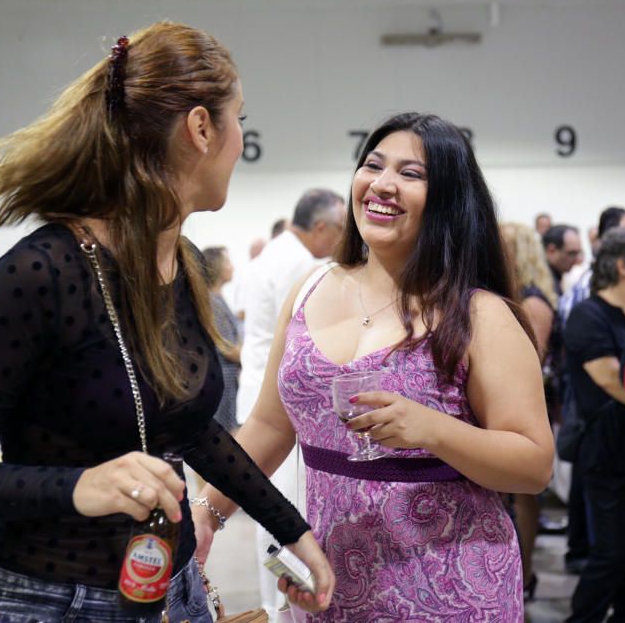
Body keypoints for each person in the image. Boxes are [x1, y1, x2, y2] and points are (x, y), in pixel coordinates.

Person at [0, 21, 333, 622]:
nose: (242, 137)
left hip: (174, 593)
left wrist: (294, 533)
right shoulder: (40, 273)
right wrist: (78, 487)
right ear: (201, 128)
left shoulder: (180, 265)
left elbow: (194, 430)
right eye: (239, 117)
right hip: (54, 601)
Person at [194, 113, 554, 621]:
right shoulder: (311, 288)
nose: (382, 185)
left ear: (448, 198)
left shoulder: (479, 315)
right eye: (373, 165)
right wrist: (208, 512)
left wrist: (432, 429)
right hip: (330, 577)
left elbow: (535, 463)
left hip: (451, 586)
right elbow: (270, 427)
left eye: (410, 174)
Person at [234, 188, 346, 618]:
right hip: (281, 403)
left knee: (271, 512)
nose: (340, 242)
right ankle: (282, 608)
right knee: (284, 515)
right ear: (321, 228)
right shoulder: (304, 266)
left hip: (259, 392)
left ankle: (277, 605)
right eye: (339, 231)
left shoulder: (272, 254)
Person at [563, 227, 625, 623]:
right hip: (609, 453)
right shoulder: (589, 315)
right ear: (623, 266)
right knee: (611, 554)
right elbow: (615, 380)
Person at [501, 221, 560, 602]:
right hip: (512, 402)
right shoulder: (514, 294)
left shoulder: (533, 300)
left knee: (523, 496)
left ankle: (523, 577)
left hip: (526, 404)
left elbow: (528, 362)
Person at [201, 246, 240, 433]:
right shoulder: (212, 302)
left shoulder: (216, 298)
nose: (232, 267)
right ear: (216, 267)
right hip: (224, 379)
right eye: (228, 262)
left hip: (228, 378)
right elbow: (226, 347)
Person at [542, 224, 583, 296]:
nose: (577, 259)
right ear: (551, 251)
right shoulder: (543, 284)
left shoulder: (555, 278)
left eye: (578, 253)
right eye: (571, 253)